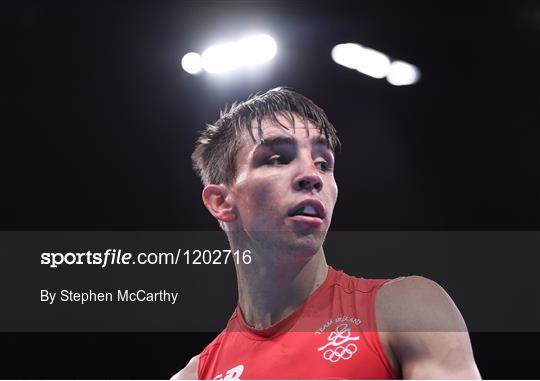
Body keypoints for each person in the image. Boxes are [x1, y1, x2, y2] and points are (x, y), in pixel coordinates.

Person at [172, 87, 481, 379]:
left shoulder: (407, 309)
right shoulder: (197, 375)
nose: (311, 176)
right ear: (221, 202)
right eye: (277, 159)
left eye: (323, 163)